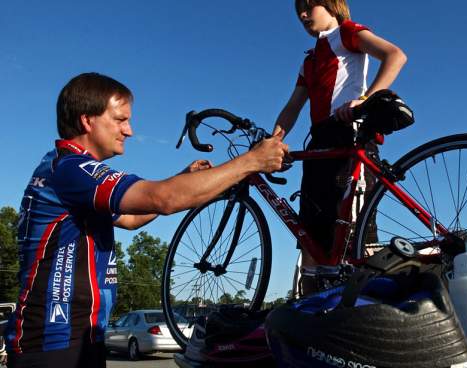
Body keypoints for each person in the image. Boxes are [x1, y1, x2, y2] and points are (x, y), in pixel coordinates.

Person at [4, 72, 288, 368]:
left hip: (75, 335)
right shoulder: (72, 169)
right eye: (120, 119)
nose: (129, 130)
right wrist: (251, 161)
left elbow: (129, 218)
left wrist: (181, 179)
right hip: (54, 339)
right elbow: (162, 199)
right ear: (88, 121)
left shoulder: (62, 169)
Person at [273, 0, 407, 293]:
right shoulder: (308, 60)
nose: (303, 15)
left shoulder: (346, 32)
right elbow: (293, 106)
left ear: (333, 7)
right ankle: (311, 316)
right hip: (319, 142)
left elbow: (395, 55)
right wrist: (273, 142)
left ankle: (369, 308)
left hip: (349, 132)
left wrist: (367, 99)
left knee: (355, 235)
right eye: (299, 12)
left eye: (309, 7)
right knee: (310, 238)